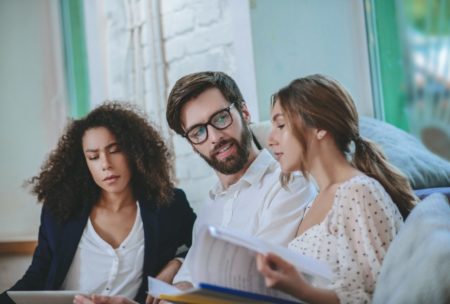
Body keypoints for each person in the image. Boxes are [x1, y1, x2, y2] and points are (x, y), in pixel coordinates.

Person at [73, 71, 316, 304]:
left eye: (221, 118)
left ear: (244, 111)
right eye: (198, 131)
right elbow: (183, 291)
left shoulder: (287, 183)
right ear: (191, 144)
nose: (214, 137)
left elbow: (258, 286)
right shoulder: (209, 210)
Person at [0, 102, 196, 304]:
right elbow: (36, 277)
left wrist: (176, 263)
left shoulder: (168, 205)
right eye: (93, 157)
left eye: (115, 150)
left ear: (134, 152)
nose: (105, 164)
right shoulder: (60, 209)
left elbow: (201, 247)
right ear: (84, 163)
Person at [256, 74, 417, 304]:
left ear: (319, 127)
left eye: (280, 125)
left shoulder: (359, 193)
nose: (270, 139)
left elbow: (378, 297)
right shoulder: (317, 199)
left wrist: (301, 290)